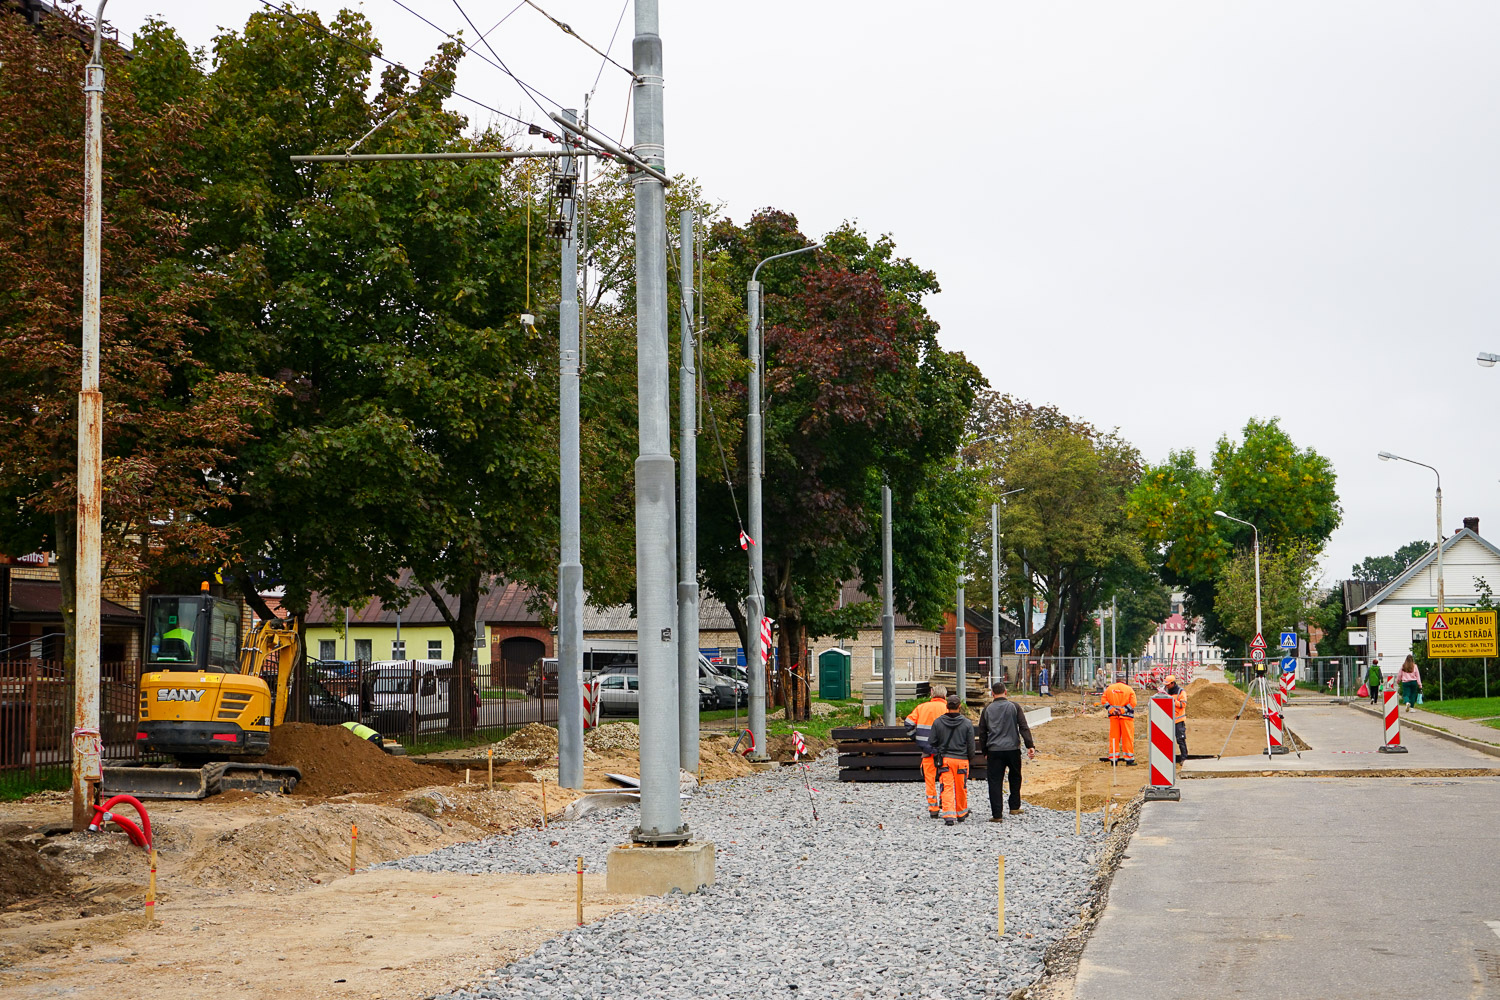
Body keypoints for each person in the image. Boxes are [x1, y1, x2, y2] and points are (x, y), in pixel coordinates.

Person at [976, 681, 1035, 822]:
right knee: (1015, 777)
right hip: (1013, 749)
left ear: (992, 694)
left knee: (995, 781)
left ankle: (997, 815)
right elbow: (1023, 727)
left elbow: (982, 732)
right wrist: (1029, 745)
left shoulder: (987, 709)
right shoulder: (1014, 707)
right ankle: (1014, 806)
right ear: (1006, 692)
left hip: (994, 750)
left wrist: (984, 750)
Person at [903, 686, 950, 818]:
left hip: (927, 751)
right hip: (945, 752)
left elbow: (908, 723)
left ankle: (933, 808)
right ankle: (945, 804)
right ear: (945, 696)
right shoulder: (949, 708)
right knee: (945, 779)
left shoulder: (922, 707)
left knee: (929, 781)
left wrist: (916, 738)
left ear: (931, 694)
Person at [929, 694, 974, 826]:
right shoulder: (967, 723)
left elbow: (932, 742)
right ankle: (961, 813)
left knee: (946, 787)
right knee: (961, 787)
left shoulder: (938, 722)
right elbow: (971, 746)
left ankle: (949, 815)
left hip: (946, 760)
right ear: (959, 707)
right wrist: (969, 758)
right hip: (961, 760)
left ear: (947, 706)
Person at [1099, 677, 1137, 765]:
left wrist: (1112, 710)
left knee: (1114, 738)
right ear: (1124, 680)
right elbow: (1133, 703)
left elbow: (1103, 700)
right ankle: (1129, 759)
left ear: (1116, 680)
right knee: (1127, 738)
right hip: (1127, 718)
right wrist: (1122, 710)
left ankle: (1113, 759)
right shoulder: (1129, 689)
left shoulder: (1109, 689)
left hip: (1114, 717)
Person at [1164, 675, 1188, 763]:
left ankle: (1184, 758)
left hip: (1178, 720)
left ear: (1173, 683)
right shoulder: (1165, 691)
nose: (1167, 686)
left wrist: (1172, 700)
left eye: (1168, 684)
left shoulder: (1181, 692)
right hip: (1168, 720)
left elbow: (1183, 705)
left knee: (1180, 740)